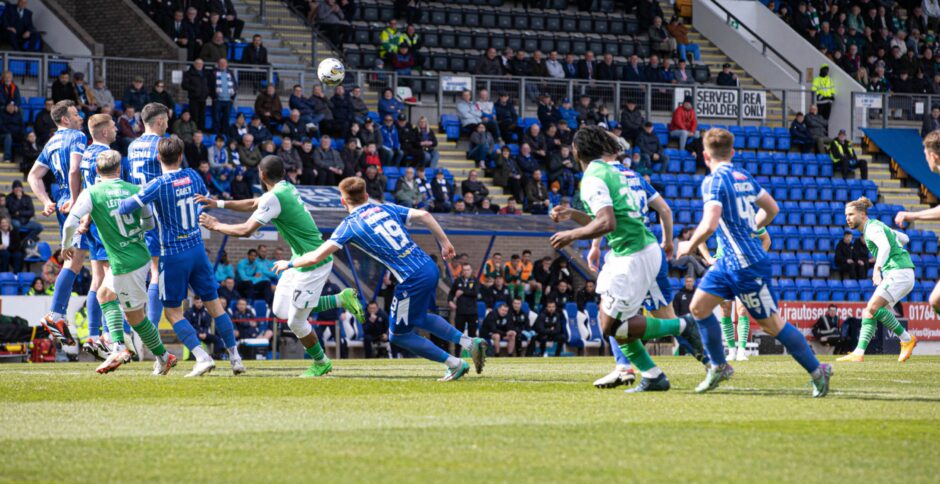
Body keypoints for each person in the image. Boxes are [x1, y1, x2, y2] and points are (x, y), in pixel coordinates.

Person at [273, 177, 487, 381]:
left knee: (399, 336)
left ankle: (455, 364)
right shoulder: (386, 207)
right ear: (367, 196)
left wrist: (289, 264)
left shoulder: (349, 225)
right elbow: (425, 215)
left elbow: (318, 255)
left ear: (342, 201)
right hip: (429, 268)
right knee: (419, 318)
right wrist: (445, 243)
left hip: (411, 279)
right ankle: (470, 343)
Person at [674, 128, 833, 397]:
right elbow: (772, 209)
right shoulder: (743, 176)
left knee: (772, 325)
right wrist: (752, 227)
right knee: (698, 307)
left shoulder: (712, 181)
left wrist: (688, 246)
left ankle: (819, 371)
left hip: (747, 264)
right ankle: (719, 366)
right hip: (727, 263)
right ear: (732, 152)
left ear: (705, 155)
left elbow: (710, 223)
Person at [548, 126, 705, 390]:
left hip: (634, 254)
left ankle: (694, 342)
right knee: (609, 314)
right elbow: (613, 218)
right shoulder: (622, 172)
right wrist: (575, 217)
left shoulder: (596, 176)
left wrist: (573, 235)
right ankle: (640, 371)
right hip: (632, 250)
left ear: (578, 150)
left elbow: (607, 221)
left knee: (628, 322)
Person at [198, 155, 365, 374]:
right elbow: (253, 203)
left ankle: (321, 362)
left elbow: (246, 230)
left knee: (296, 322)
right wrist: (218, 203)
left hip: (314, 261)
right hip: (298, 260)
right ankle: (339, 299)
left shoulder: (274, 197)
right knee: (280, 310)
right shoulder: (284, 188)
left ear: (261, 174)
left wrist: (216, 225)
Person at [117, 137, 243, 377]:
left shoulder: (158, 184)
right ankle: (235, 359)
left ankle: (202, 356)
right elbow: (203, 201)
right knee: (215, 306)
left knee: (173, 312)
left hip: (173, 254)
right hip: (197, 248)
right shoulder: (193, 175)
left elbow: (125, 207)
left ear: (158, 158)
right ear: (181, 154)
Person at [61, 149, 177, 374]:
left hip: (125, 263)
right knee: (106, 295)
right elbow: (149, 222)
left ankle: (142, 352)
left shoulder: (92, 192)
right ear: (119, 169)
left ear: (96, 170)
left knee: (134, 316)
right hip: (138, 254)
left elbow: (69, 224)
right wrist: (132, 233)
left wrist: (67, 245)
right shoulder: (135, 189)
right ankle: (139, 351)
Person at [27, 101, 88, 344]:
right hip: (80, 201)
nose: (80, 117)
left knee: (76, 260)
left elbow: (34, 176)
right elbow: (75, 169)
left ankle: (59, 315)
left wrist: (45, 201)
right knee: (98, 261)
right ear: (65, 119)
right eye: (75, 114)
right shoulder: (77, 136)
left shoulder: (50, 142)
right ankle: (98, 331)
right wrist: (76, 200)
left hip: (63, 202)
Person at [834, 197, 918, 363]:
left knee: (872, 308)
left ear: (863, 215)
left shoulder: (872, 228)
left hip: (898, 272)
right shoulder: (876, 226)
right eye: (846, 215)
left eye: (851, 214)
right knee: (871, 312)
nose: (847, 218)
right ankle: (859, 352)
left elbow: (886, 247)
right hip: (902, 273)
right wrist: (891, 234)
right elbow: (905, 239)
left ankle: (907, 339)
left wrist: (876, 269)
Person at [126, 103, 174, 328]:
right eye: (166, 120)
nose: (168, 124)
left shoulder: (132, 145)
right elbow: (170, 180)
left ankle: (126, 329)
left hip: (135, 213)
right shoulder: (163, 145)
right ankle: (151, 329)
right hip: (157, 214)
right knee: (157, 271)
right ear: (160, 121)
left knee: (135, 272)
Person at [448, 263, 480, 346]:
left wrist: (463, 291)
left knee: (472, 334)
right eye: (464, 270)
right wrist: (450, 301)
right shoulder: (458, 280)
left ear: (471, 270)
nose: (466, 272)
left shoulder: (475, 280)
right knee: (459, 335)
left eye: (468, 270)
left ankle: (473, 354)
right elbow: (451, 293)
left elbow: (475, 293)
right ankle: (457, 355)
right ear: (462, 271)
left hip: (472, 312)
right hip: (460, 312)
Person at [211, 58, 238, 135]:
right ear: (218, 64)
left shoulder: (230, 73)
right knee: (216, 118)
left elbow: (235, 85)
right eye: (221, 63)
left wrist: (233, 97)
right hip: (217, 100)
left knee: (226, 119)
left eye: (224, 63)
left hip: (228, 100)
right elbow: (209, 85)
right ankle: (216, 134)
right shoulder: (213, 73)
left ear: (227, 64)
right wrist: (213, 96)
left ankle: (224, 135)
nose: (223, 64)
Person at [182, 58, 210, 131]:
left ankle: (202, 131)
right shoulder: (188, 73)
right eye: (197, 64)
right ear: (194, 64)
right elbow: (184, 85)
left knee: (202, 116)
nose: (199, 65)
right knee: (194, 115)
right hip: (193, 98)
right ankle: (194, 130)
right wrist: (194, 89)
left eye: (201, 64)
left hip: (203, 98)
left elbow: (209, 84)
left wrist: (207, 92)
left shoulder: (206, 73)